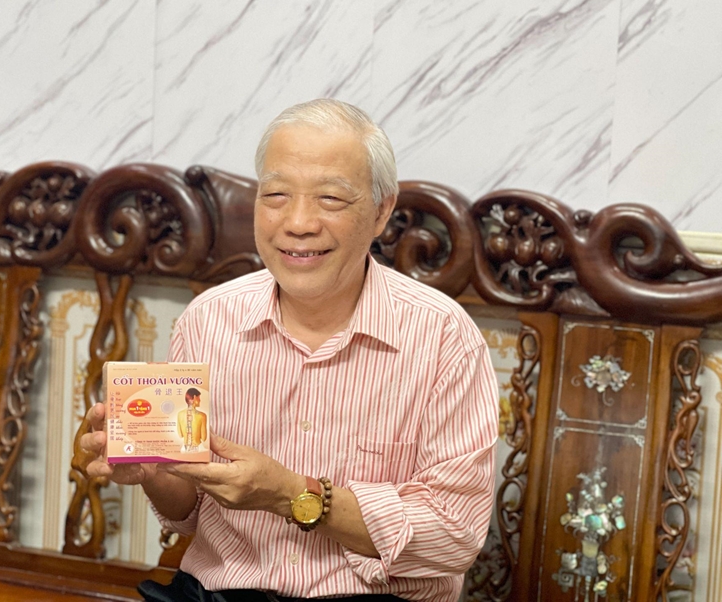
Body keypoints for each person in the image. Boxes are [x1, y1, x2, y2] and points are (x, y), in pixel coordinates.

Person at [81, 99, 499, 601]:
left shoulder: (443, 336)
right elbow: (187, 514)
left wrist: (291, 495)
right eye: (276, 194)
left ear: (381, 211)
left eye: (330, 199)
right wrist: (153, 471)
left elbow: (454, 536)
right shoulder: (209, 319)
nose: (298, 223)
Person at [177, 388, 208, 453]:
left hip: (184, 449)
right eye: (199, 397)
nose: (200, 400)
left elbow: (180, 435)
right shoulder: (202, 416)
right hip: (198, 449)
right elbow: (204, 438)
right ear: (194, 397)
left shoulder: (179, 414)